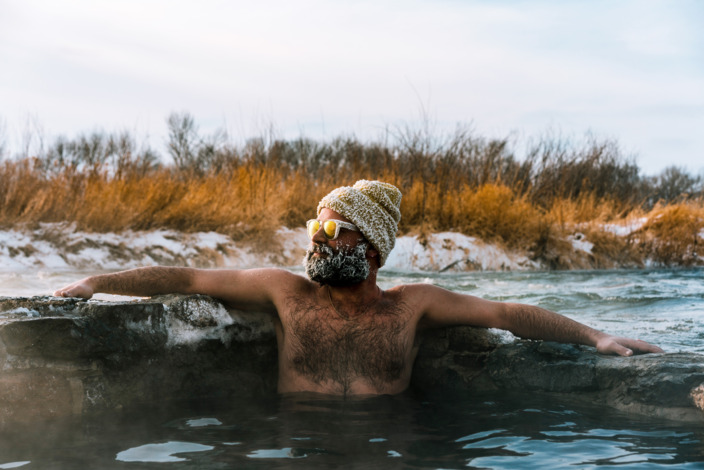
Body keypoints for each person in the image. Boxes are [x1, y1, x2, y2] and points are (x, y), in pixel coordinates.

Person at [55, 180, 663, 396]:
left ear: (370, 249)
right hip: (299, 449)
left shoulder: (414, 305)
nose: (316, 239)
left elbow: (505, 311)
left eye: (332, 230)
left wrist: (596, 335)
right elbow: (187, 277)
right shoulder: (283, 292)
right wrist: (94, 282)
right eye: (314, 226)